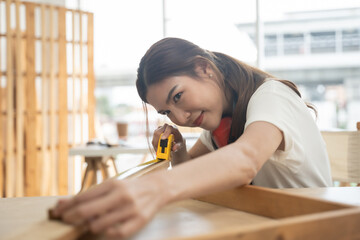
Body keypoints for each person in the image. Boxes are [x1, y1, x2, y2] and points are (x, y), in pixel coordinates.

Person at [52, 37, 332, 239]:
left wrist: (153, 188)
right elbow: (194, 179)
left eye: (178, 96)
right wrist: (177, 150)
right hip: (272, 224)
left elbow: (246, 159)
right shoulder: (219, 124)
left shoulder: (271, 96)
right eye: (166, 111)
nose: (180, 118)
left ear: (204, 68)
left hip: (321, 228)